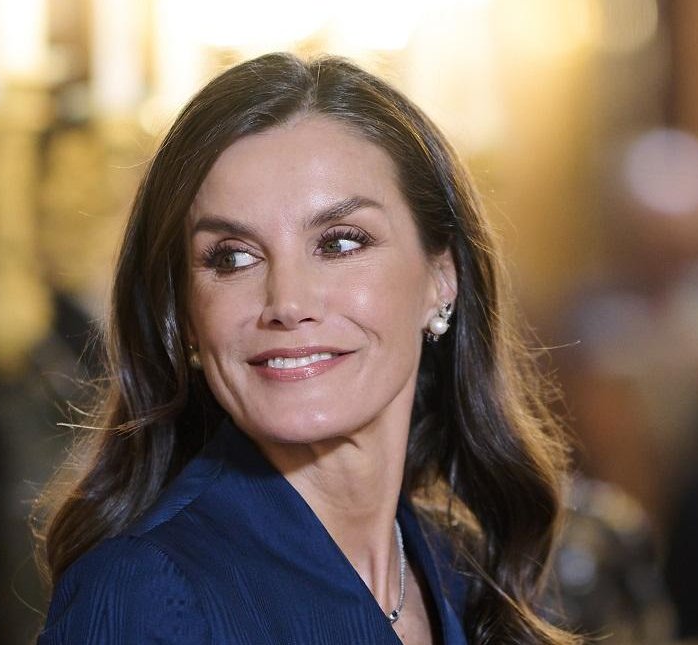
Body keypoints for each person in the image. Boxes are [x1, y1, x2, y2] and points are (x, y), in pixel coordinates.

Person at [33, 52, 576, 645]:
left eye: (340, 243)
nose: (287, 303)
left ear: (442, 277)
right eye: (232, 257)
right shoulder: (143, 596)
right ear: (184, 315)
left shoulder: (462, 572)